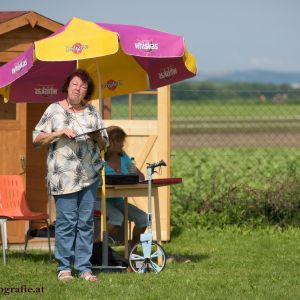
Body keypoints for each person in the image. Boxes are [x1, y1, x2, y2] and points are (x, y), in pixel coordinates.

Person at [33, 69, 107, 282]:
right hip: (63, 177)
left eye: (83, 86)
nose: (78, 88)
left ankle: (84, 268)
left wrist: (96, 137)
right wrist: (58, 133)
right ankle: (64, 268)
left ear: (87, 91)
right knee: (66, 222)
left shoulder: (92, 112)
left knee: (85, 223)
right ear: (67, 86)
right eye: (75, 84)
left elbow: (104, 142)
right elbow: (36, 139)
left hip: (89, 176)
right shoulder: (54, 110)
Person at [94, 126, 147, 248]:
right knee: (117, 217)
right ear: (109, 142)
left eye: (123, 141)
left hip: (117, 201)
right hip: (99, 200)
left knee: (143, 218)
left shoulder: (123, 156)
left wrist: (132, 176)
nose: (122, 144)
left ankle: (132, 250)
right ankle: (97, 247)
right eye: (118, 141)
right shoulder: (99, 157)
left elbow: (141, 176)